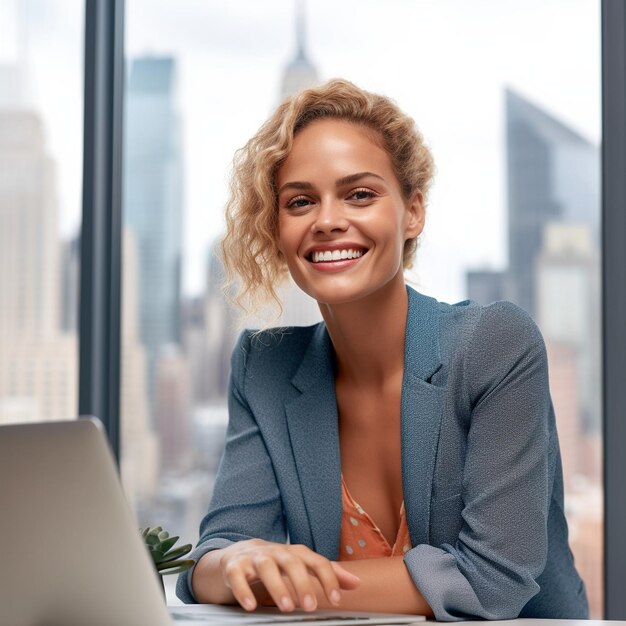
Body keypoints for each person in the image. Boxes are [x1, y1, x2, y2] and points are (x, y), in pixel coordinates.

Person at [176, 79, 589, 620]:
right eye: (300, 201)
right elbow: (215, 556)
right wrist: (236, 561)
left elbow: (493, 580)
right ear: (277, 229)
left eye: (360, 194)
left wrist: (292, 586)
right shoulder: (264, 365)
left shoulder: (494, 345)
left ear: (412, 212)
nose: (326, 220)